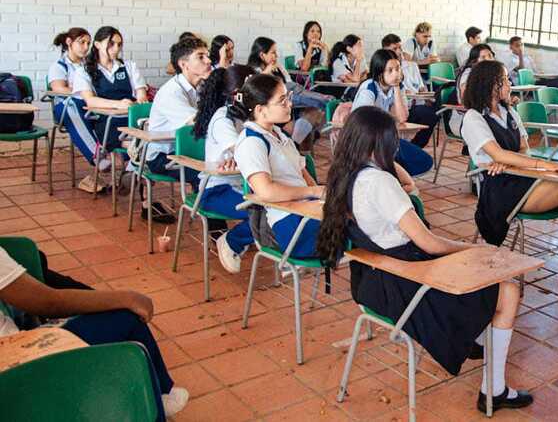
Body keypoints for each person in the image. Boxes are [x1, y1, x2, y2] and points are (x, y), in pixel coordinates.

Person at [316, 107, 533, 413]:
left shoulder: (345, 175)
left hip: (374, 282)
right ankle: (493, 390)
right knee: (508, 290)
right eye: (392, 143)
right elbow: (428, 243)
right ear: (380, 144)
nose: (397, 148)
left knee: (489, 290)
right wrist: (471, 250)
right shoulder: (378, 183)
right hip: (406, 284)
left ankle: (480, 340)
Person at [0, 243, 188, 418]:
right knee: (126, 318)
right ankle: (158, 398)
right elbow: (47, 302)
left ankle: (159, 395)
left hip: (15, 355)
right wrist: (127, 298)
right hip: (17, 366)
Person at [460, 60, 558, 248]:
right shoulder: (474, 117)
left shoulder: (510, 112)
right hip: (499, 188)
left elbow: (524, 149)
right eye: (504, 80)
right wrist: (545, 165)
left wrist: (512, 163)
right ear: (490, 84)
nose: (509, 84)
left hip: (522, 176)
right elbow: (498, 155)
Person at [232, 73, 325, 259]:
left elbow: (302, 172)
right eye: (282, 101)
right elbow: (266, 191)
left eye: (288, 98)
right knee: (364, 231)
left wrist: (320, 195)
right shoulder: (252, 142)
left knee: (365, 224)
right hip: (288, 223)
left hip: (306, 211)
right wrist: (313, 193)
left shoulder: (279, 135)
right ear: (260, 110)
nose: (289, 104)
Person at [193, 65, 257, 273]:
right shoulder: (222, 118)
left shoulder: (250, 117)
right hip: (215, 189)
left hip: (242, 184)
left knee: (278, 208)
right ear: (236, 95)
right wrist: (240, 158)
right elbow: (246, 152)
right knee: (263, 212)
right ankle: (232, 241)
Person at [73, 26, 148, 191]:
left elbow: (141, 94)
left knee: (145, 143)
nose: (116, 49)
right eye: (112, 44)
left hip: (132, 119)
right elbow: (90, 101)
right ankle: (134, 176)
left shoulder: (128, 66)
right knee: (140, 145)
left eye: (119, 45)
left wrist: (141, 101)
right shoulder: (84, 70)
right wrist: (118, 104)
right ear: (98, 44)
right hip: (108, 122)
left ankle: (131, 173)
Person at [352, 49, 435, 177]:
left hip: (386, 139)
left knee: (424, 161)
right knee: (395, 162)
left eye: (398, 69)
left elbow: (402, 118)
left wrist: (396, 88)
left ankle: (395, 179)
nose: (396, 74)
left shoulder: (399, 87)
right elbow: (364, 121)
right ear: (380, 73)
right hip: (366, 141)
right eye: (390, 70)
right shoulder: (369, 88)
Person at [145, 37, 212, 187]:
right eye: (201, 57)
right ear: (184, 64)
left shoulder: (200, 86)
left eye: (207, 55)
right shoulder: (172, 92)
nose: (208, 61)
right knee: (207, 175)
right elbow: (199, 122)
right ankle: (202, 207)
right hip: (164, 156)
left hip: (186, 150)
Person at [246, 36, 325, 152]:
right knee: (309, 103)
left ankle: (298, 149)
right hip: (276, 109)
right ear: (262, 55)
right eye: (273, 53)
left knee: (314, 110)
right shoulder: (253, 71)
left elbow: (289, 83)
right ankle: (295, 146)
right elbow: (257, 91)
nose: (276, 56)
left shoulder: (279, 67)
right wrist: (267, 72)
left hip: (290, 100)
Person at [48, 28, 101, 193]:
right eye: (82, 42)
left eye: (88, 43)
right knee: (73, 105)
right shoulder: (59, 66)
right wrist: (82, 90)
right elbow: (58, 88)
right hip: (66, 107)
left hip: (90, 106)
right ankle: (98, 157)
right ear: (69, 43)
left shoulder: (91, 65)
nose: (86, 47)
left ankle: (124, 161)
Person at [451, 44, 495, 139]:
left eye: (490, 56)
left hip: (483, 118)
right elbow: (466, 100)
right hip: (464, 120)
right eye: (483, 57)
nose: (488, 60)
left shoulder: (490, 75)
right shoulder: (468, 74)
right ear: (475, 61)